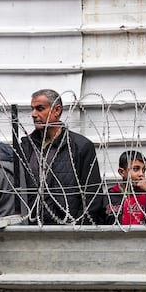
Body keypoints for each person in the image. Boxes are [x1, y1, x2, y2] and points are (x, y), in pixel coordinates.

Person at [18, 89, 110, 225]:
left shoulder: (80, 146)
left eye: (40, 109)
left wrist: (79, 228)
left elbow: (92, 195)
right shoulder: (27, 147)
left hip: (69, 231)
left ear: (57, 110)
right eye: (32, 109)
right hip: (32, 228)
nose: (33, 114)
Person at [109, 150, 146, 225]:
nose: (141, 174)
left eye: (143, 170)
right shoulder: (111, 195)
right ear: (122, 172)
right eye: (136, 169)